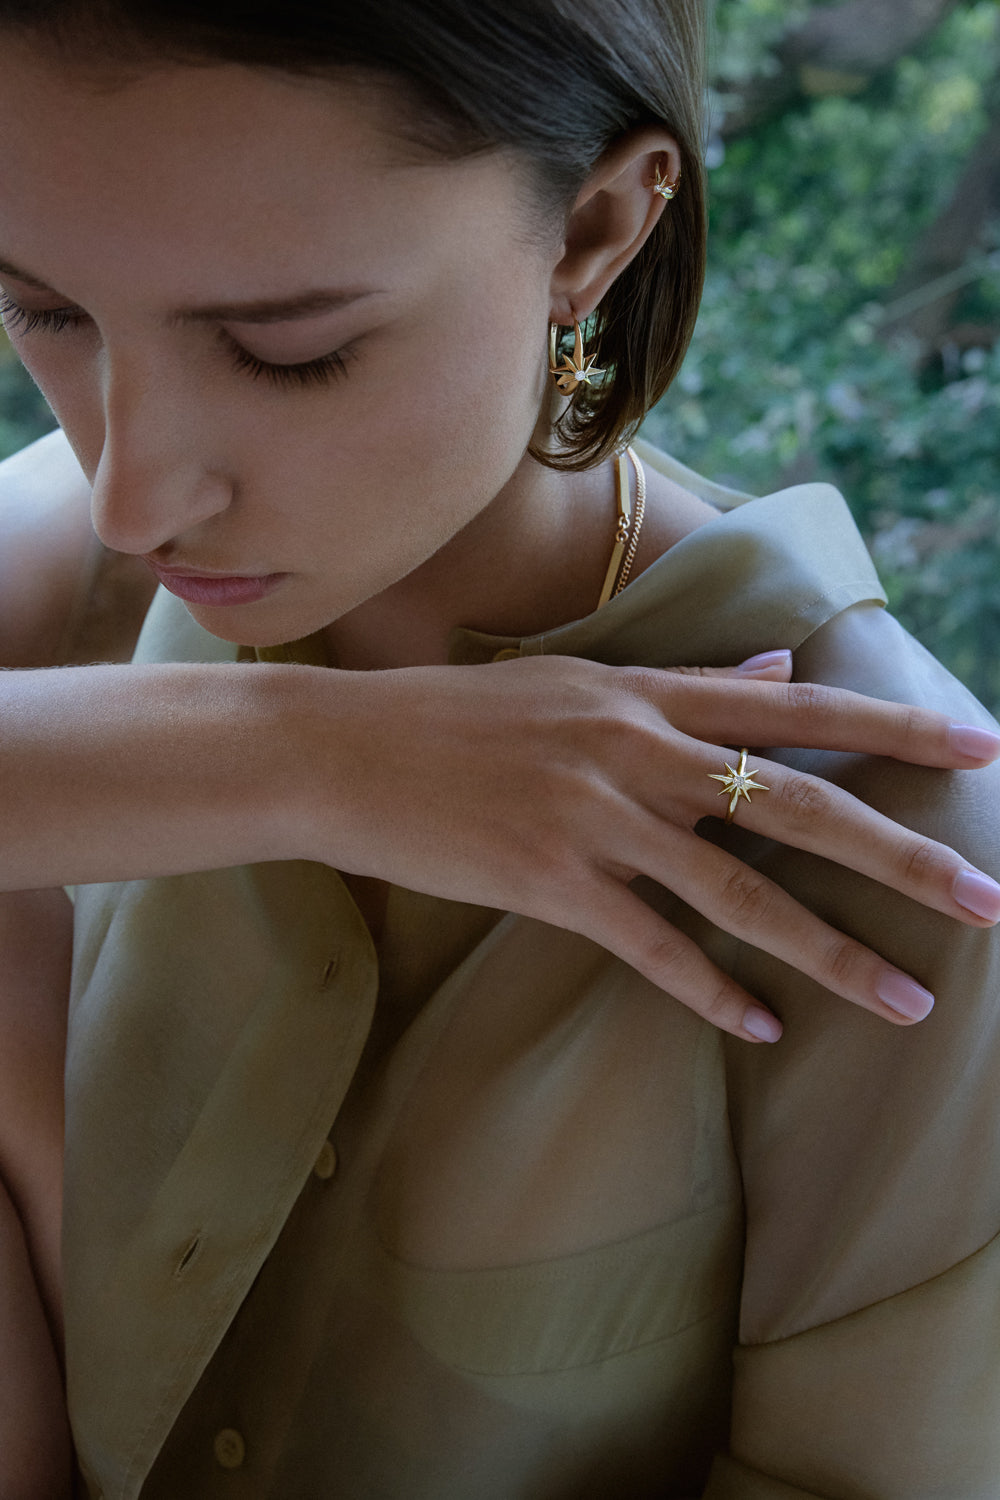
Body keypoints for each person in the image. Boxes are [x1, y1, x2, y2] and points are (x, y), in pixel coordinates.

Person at [0, 2, 998, 1496]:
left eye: (291, 351)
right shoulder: (81, 570)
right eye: (43, 312)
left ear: (596, 226)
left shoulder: (882, 832)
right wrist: (317, 760)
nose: (132, 491)